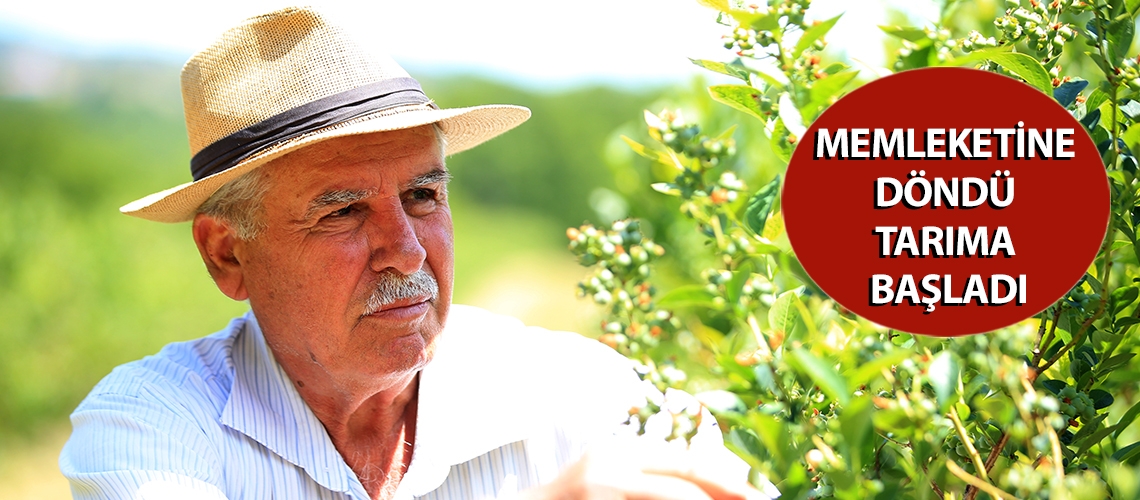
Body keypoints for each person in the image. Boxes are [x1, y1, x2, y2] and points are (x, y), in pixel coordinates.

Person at [59, 6, 776, 500]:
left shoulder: (576, 391)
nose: (405, 251)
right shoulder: (153, 422)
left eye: (424, 196)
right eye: (342, 212)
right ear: (227, 257)